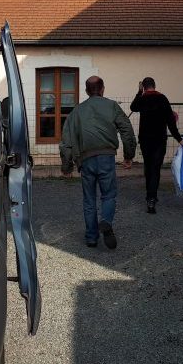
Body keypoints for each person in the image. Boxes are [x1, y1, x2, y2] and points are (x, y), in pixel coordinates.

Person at [60, 75, 136, 249]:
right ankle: (106, 221)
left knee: (89, 199)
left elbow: (67, 140)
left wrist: (67, 165)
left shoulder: (77, 111)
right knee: (108, 194)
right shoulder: (112, 106)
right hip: (106, 156)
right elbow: (127, 130)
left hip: (85, 159)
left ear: (87, 91)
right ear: (102, 89)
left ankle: (91, 238)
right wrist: (128, 155)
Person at [130, 77, 183, 214]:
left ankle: (149, 196)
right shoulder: (163, 98)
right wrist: (179, 139)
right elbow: (170, 120)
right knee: (155, 169)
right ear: (154, 86)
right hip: (159, 140)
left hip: (145, 140)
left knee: (148, 167)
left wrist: (139, 93)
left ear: (144, 87)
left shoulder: (142, 99)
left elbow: (133, 107)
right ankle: (151, 198)